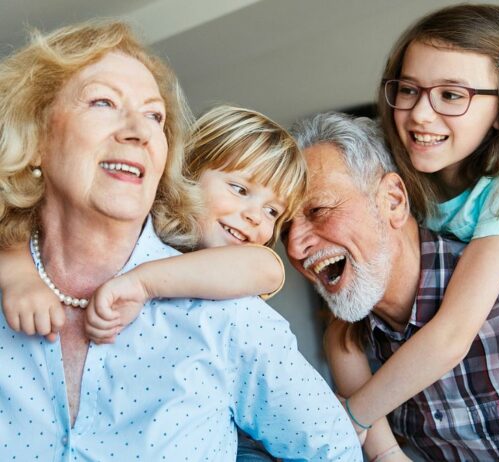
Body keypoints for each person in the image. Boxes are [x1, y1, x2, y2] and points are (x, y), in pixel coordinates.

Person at [0, 21, 361, 460]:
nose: (139, 130)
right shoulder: (14, 269)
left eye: (155, 116)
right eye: (104, 102)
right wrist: (17, 272)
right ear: (34, 137)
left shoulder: (230, 308)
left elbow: (333, 450)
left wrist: (143, 283)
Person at [313, 3, 499, 439]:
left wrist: (354, 418)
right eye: (409, 89)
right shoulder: (396, 178)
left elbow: (452, 334)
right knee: (340, 330)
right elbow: (347, 324)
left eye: (451, 95)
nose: (420, 114)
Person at [285, 111, 499, 461]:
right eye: (283, 229)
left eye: (319, 210)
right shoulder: (349, 345)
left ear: (393, 201)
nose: (295, 247)